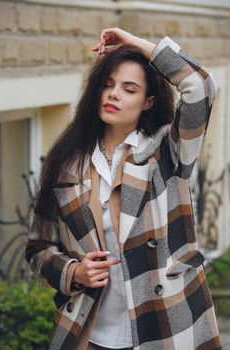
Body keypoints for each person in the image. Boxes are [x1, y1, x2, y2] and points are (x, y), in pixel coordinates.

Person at [26, 27, 221, 350]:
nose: (113, 94)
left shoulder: (167, 151)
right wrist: (75, 272)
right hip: (90, 332)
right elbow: (38, 247)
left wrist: (135, 44)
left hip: (166, 326)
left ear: (148, 102)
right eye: (107, 85)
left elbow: (200, 86)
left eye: (129, 89)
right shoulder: (67, 163)